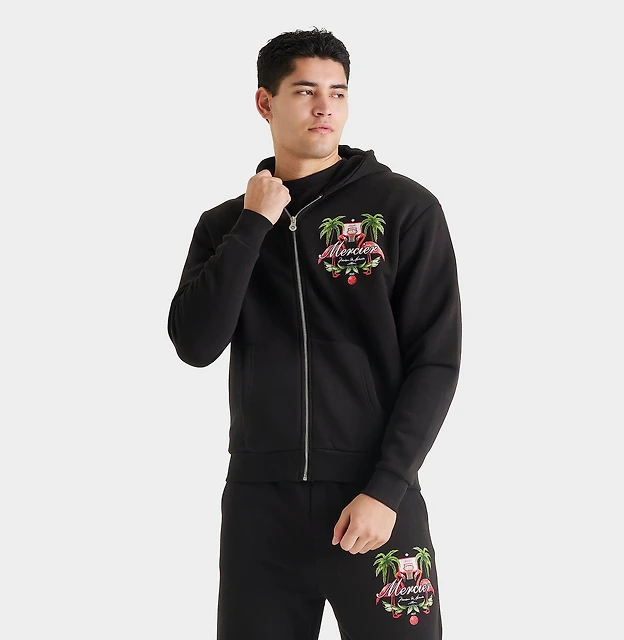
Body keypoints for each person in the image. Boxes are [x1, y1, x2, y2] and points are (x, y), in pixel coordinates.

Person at [167, 27, 462, 640]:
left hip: (373, 503)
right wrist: (254, 224)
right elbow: (195, 345)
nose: (325, 107)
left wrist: (387, 488)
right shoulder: (224, 225)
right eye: (305, 91)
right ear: (265, 102)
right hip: (259, 511)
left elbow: (435, 362)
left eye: (338, 92)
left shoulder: (405, 210)